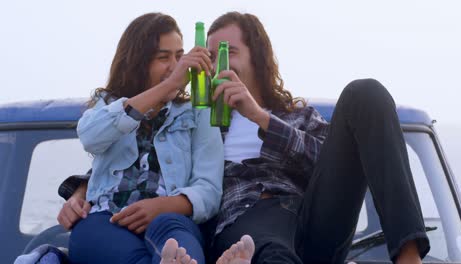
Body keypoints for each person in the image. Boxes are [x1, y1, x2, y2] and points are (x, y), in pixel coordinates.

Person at [58, 11, 430, 264]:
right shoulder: (197, 119)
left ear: (257, 58)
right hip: (247, 225)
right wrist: (81, 190)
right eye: (210, 54)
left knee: (365, 92)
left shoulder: (296, 115)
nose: (218, 64)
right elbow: (146, 164)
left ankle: (409, 254)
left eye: (228, 53)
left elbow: (337, 164)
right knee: (264, 249)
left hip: (315, 220)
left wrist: (258, 116)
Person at [62, 12, 226, 264]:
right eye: (164, 57)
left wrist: (164, 206)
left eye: (179, 56)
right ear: (138, 61)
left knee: (180, 246)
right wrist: (167, 86)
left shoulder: (197, 112)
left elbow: (209, 188)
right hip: (106, 216)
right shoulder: (108, 105)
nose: (175, 65)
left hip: (171, 218)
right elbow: (90, 138)